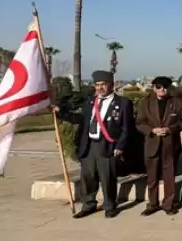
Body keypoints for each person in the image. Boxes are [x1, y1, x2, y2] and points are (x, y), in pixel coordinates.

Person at [53, 70, 133, 219]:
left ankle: (110, 206)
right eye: (97, 85)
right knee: (88, 176)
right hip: (89, 145)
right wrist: (60, 113)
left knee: (107, 177)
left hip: (108, 145)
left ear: (111, 85)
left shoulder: (123, 103)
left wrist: (120, 146)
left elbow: (127, 128)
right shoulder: (90, 102)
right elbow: (80, 119)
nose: (100, 88)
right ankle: (89, 204)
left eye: (103, 84)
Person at [135, 76, 182, 216]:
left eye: (165, 87)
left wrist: (170, 129)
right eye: (159, 86)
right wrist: (152, 130)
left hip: (170, 144)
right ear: (154, 88)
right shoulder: (145, 103)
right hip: (152, 143)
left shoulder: (177, 102)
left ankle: (168, 205)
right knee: (152, 177)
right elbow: (139, 123)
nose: (162, 89)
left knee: (169, 176)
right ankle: (152, 204)